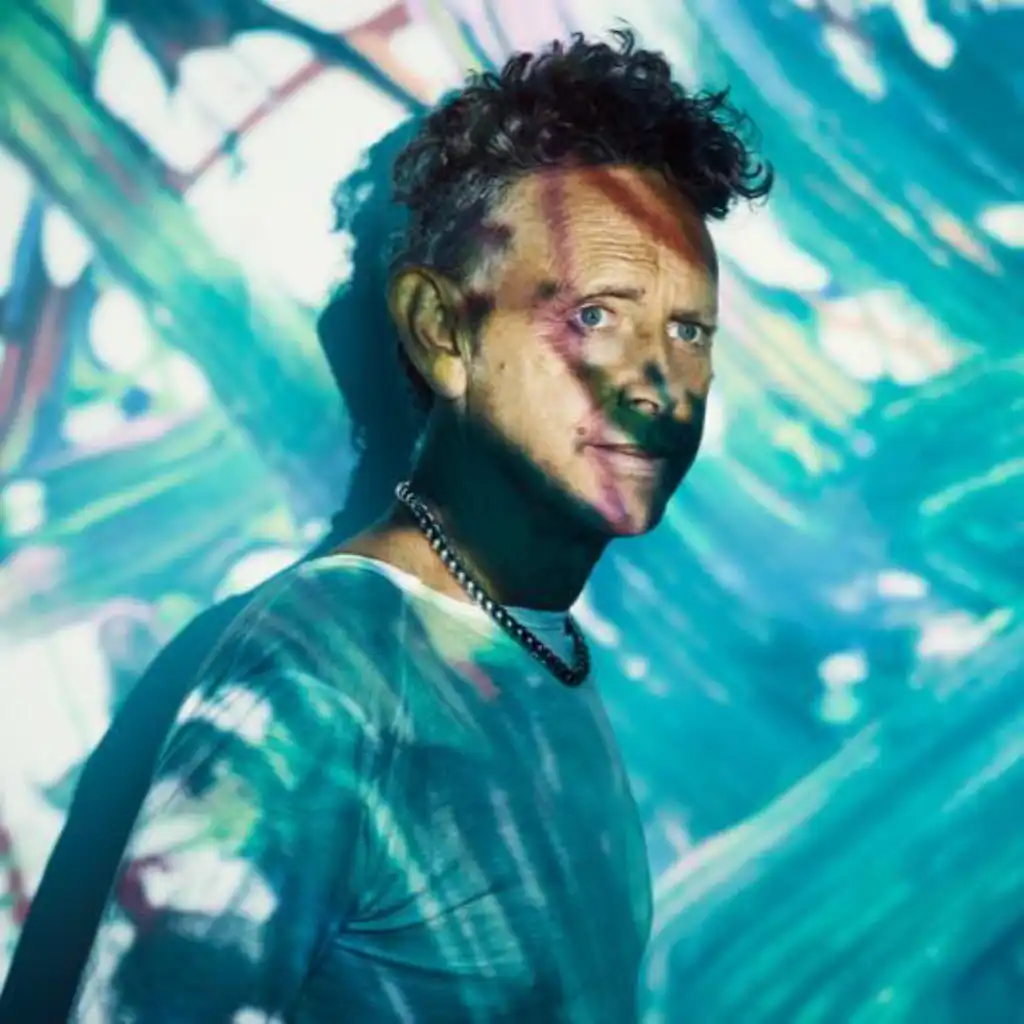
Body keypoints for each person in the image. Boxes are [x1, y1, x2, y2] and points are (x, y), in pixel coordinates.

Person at [55, 30, 771, 1022]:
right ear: (438, 331)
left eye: (688, 330)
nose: (657, 381)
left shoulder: (528, 646)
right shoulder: (320, 671)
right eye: (595, 316)